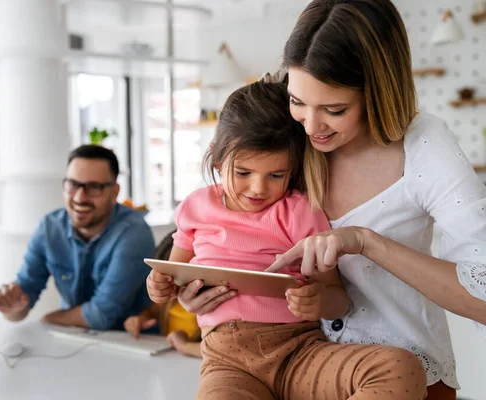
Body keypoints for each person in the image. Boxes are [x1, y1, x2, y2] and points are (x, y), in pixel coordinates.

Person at [152, 1, 486, 399]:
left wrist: (366, 242)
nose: (311, 126)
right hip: (283, 368)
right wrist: (198, 293)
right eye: (298, 101)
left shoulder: (424, 145)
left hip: (395, 375)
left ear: (377, 93)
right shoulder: (286, 133)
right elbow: (223, 222)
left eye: (334, 109)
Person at [149, 80, 427, 399]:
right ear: (217, 159)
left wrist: (319, 301)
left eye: (276, 175)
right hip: (227, 364)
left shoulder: (298, 212)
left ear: (291, 169)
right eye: (243, 173)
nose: (258, 188)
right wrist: (159, 287)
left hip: (299, 353)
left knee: (400, 367)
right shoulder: (194, 207)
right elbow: (169, 276)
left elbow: (338, 299)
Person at [0, 145, 155, 330]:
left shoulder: (134, 233)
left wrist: (49, 319)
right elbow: (24, 297)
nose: (79, 197)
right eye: (73, 184)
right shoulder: (49, 228)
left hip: (129, 343)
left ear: (114, 192)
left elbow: (101, 315)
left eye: (94, 187)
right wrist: (12, 308)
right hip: (72, 339)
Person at [124, 231, 202, 358]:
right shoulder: (170, 297)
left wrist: (185, 346)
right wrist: (141, 319)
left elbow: (225, 351)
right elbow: (152, 311)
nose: (173, 284)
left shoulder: (211, 301)